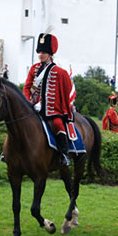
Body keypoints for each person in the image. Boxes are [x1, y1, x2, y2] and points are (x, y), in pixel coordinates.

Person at [23, 32, 73, 166]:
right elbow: (27, 88)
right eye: (39, 51)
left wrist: (45, 105)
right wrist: (29, 102)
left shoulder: (60, 73)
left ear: (50, 53)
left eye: (44, 52)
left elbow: (65, 92)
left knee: (58, 124)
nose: (41, 54)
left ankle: (64, 155)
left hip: (52, 111)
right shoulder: (34, 69)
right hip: (33, 108)